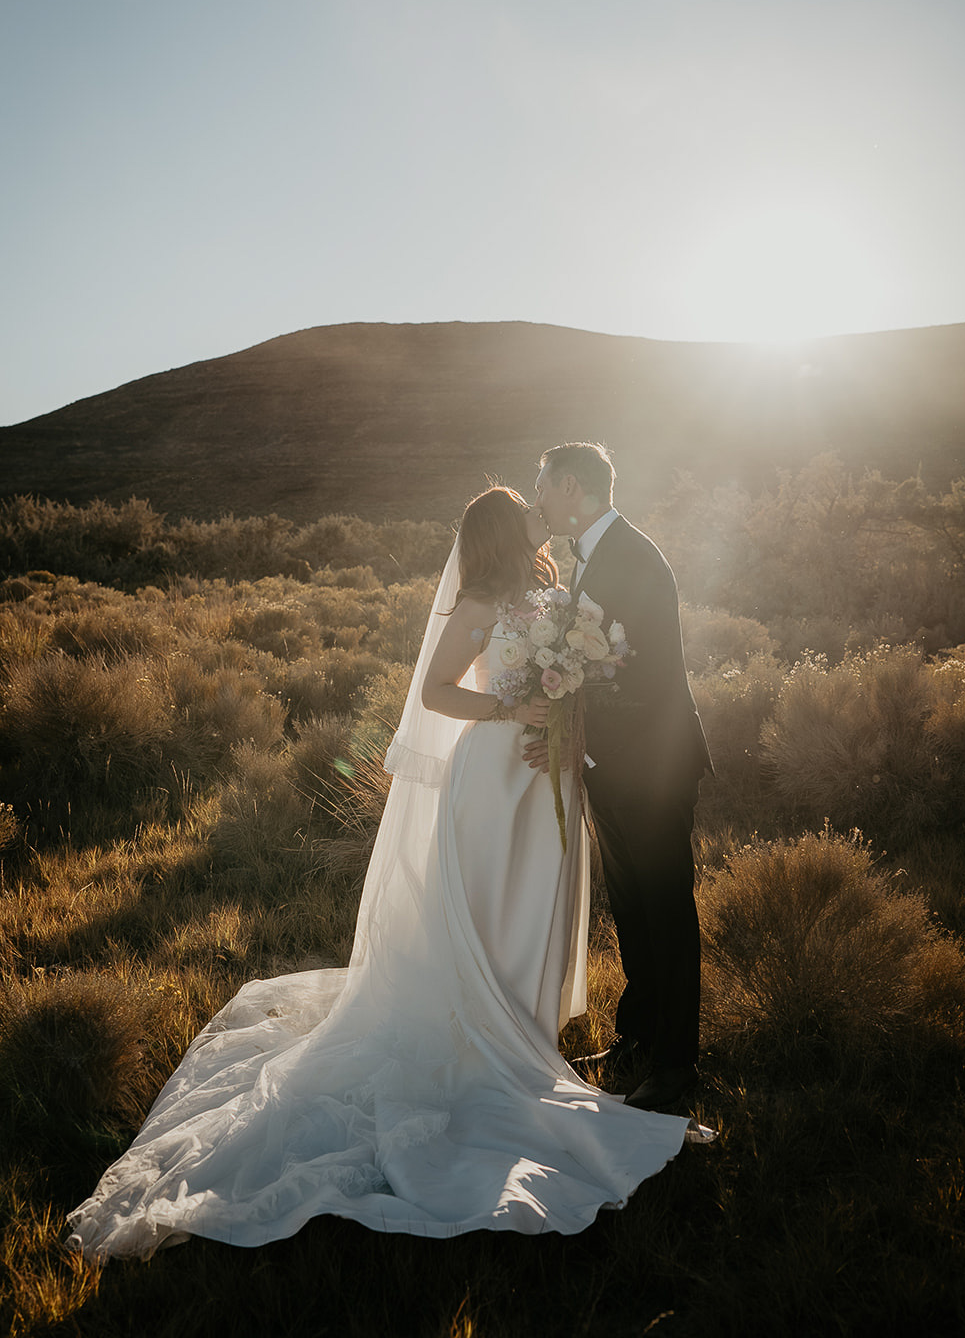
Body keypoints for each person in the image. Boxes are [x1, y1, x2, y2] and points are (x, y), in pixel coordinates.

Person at [66, 487, 693, 1261]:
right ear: (501, 532)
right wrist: (514, 713)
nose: (541, 514)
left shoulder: (554, 595)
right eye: (527, 511)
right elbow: (435, 692)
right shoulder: (474, 607)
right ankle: (489, 1040)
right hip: (493, 779)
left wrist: (560, 718)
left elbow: (575, 680)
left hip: (545, 778)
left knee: (542, 904)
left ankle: (526, 1031)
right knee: (491, 905)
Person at [530, 445, 711, 1112]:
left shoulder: (632, 556)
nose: (538, 498)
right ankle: (637, 1037)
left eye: (542, 485)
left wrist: (576, 718)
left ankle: (675, 1067)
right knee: (632, 911)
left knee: (665, 912)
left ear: (570, 486)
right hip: (610, 766)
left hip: (652, 767)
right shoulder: (590, 555)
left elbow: (644, 671)